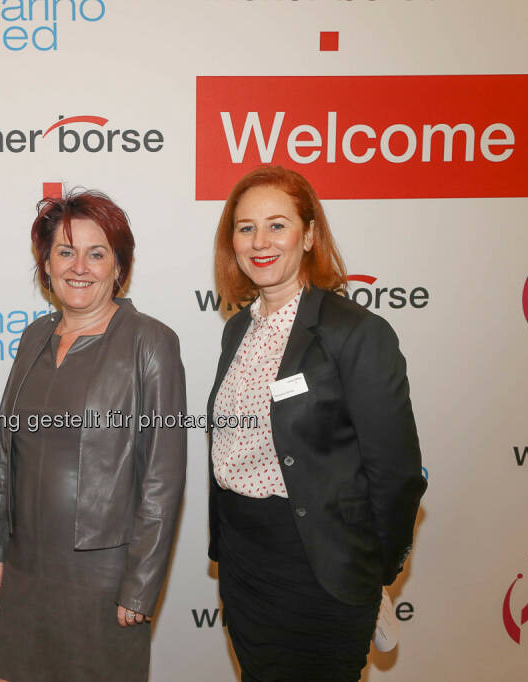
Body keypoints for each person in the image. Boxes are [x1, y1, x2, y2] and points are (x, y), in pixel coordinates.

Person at [207, 166, 426, 681]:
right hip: (243, 561)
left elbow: (396, 474)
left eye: (277, 225)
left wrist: (371, 572)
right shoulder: (239, 328)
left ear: (308, 235)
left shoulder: (355, 333)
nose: (259, 241)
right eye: (245, 228)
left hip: (320, 568)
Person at [0, 190, 187, 682]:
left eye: (97, 253)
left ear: (120, 266)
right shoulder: (34, 337)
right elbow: (7, 450)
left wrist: (140, 586)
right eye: (65, 251)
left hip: (104, 574)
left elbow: (162, 477)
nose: (80, 267)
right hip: (26, 562)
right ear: (45, 264)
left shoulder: (150, 341)